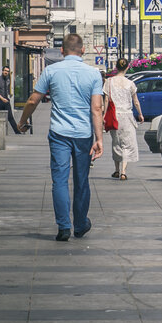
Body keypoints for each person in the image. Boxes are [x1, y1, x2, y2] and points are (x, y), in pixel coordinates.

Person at [18, 33, 103, 242]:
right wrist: (99, 138)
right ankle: (81, 224)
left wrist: (22, 121)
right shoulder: (93, 74)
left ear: (62, 51)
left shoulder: (51, 70)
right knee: (82, 180)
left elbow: (33, 100)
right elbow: (97, 108)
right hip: (83, 135)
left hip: (59, 134)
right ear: (83, 50)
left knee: (59, 181)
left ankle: (64, 227)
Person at [102, 58, 143, 180]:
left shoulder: (109, 82)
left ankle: (116, 170)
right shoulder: (130, 84)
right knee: (127, 144)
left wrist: (104, 115)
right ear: (127, 67)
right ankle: (123, 171)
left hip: (114, 116)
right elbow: (136, 101)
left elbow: (106, 100)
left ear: (116, 67)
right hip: (127, 116)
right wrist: (140, 114)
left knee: (116, 142)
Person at [0, 66, 29, 134]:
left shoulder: (7, 79)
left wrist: (8, 96)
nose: (6, 72)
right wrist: (2, 98)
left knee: (10, 117)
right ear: (2, 71)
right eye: (5, 71)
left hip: (6, 100)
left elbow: (7, 89)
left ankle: (17, 131)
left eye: (7, 71)